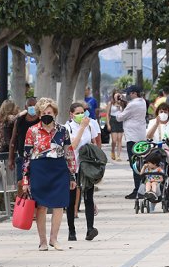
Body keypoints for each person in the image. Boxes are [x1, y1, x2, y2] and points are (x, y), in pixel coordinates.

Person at [22, 98, 76, 251]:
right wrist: (25, 180)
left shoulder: (62, 130)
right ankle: (43, 241)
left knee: (59, 205)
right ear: (39, 115)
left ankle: (54, 239)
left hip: (58, 169)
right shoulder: (32, 131)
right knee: (41, 206)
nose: (47, 115)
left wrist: (72, 175)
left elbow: (69, 153)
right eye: (44, 113)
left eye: (50, 113)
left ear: (55, 114)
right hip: (39, 169)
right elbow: (26, 156)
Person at [64, 102, 101, 242]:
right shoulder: (67, 127)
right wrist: (82, 127)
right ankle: (71, 231)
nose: (81, 115)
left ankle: (90, 229)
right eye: (78, 113)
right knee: (71, 199)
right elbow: (72, 146)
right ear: (71, 114)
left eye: (82, 112)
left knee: (88, 198)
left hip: (87, 168)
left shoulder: (90, 125)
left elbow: (94, 143)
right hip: (73, 167)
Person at [115, 85, 147, 199]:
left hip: (133, 138)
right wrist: (121, 97)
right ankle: (142, 188)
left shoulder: (133, 105)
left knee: (134, 164)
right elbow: (127, 99)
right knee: (141, 163)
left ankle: (138, 189)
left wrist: (119, 106)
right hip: (141, 137)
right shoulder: (142, 101)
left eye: (129, 93)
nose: (127, 95)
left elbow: (119, 117)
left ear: (133, 93)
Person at [8, 97, 40, 181]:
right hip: (22, 157)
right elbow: (13, 140)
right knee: (21, 183)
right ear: (25, 107)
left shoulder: (41, 120)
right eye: (30, 105)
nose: (32, 107)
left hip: (38, 158)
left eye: (34, 105)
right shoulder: (19, 120)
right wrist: (10, 159)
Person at [107, 90, 125, 161]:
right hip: (113, 120)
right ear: (114, 96)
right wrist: (108, 124)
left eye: (119, 95)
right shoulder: (110, 104)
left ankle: (118, 156)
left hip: (120, 120)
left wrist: (121, 103)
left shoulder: (122, 104)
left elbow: (125, 112)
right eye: (116, 95)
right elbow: (107, 115)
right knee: (114, 140)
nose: (117, 96)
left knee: (119, 139)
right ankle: (112, 150)